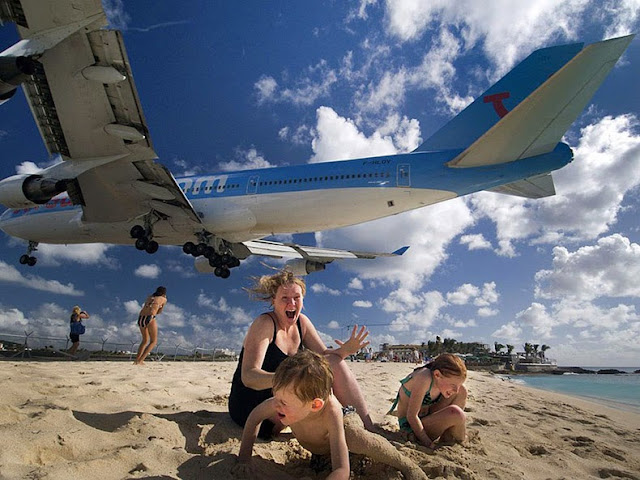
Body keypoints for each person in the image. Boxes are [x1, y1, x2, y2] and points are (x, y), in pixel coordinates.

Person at [235, 350, 427, 480]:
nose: (275, 404)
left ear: (315, 404)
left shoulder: (331, 412)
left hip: (346, 421)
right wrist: (244, 459)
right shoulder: (284, 400)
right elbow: (254, 418)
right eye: (275, 396)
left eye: (283, 402)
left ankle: (406, 464)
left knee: (354, 436)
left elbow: (342, 470)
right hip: (322, 451)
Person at [229, 270, 374, 440]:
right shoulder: (264, 323)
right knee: (309, 400)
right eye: (284, 298)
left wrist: (345, 350)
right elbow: (249, 376)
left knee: (336, 362)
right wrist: (290, 380)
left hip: (288, 397)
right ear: (273, 300)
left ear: (303, 300)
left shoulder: (302, 323)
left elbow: (324, 358)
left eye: (296, 298)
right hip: (253, 404)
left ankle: (369, 428)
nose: (291, 303)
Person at [388, 353, 467, 450]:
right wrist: (428, 444)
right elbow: (411, 416)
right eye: (453, 385)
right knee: (456, 414)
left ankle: (449, 435)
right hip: (411, 428)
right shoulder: (424, 378)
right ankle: (460, 440)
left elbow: (458, 391)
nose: (456, 390)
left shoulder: (438, 380)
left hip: (426, 419)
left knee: (462, 392)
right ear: (437, 374)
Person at [134, 286, 167, 365]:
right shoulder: (164, 299)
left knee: (144, 340)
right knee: (153, 341)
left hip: (141, 317)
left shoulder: (150, 297)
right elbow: (159, 312)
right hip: (150, 317)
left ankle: (136, 360)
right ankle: (141, 360)